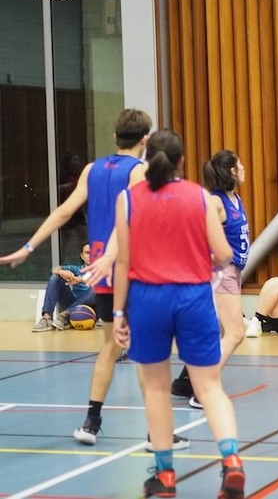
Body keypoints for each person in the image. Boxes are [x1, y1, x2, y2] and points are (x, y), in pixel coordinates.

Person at [0, 109, 186, 451]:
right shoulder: (140, 172)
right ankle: (155, 433)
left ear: (116, 137)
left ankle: (92, 422)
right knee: (148, 354)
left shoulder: (91, 169)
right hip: (131, 270)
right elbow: (126, 220)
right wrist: (113, 257)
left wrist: (28, 246)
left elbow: (64, 211)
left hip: (103, 274)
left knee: (109, 348)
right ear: (145, 140)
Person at [112, 129, 245, 499]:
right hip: (193, 298)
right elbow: (222, 254)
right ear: (182, 161)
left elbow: (123, 261)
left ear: (146, 159)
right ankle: (232, 461)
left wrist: (119, 312)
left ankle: (166, 474)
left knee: (155, 388)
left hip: (148, 299)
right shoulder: (200, 197)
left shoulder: (128, 200)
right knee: (210, 387)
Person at [171, 150, 250, 408]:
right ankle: (202, 390)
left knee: (216, 332)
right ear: (231, 172)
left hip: (233, 271)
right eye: (239, 164)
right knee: (236, 332)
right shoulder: (216, 203)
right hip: (220, 273)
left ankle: (186, 381)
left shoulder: (234, 198)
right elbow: (197, 236)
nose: (244, 167)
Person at [32, 241, 96, 332]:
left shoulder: (103, 271)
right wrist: (62, 272)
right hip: (71, 305)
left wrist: (79, 280)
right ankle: (47, 319)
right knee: (55, 277)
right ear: (82, 256)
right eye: (87, 253)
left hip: (90, 311)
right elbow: (55, 269)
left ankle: (66, 314)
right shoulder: (76, 269)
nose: (90, 255)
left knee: (97, 289)